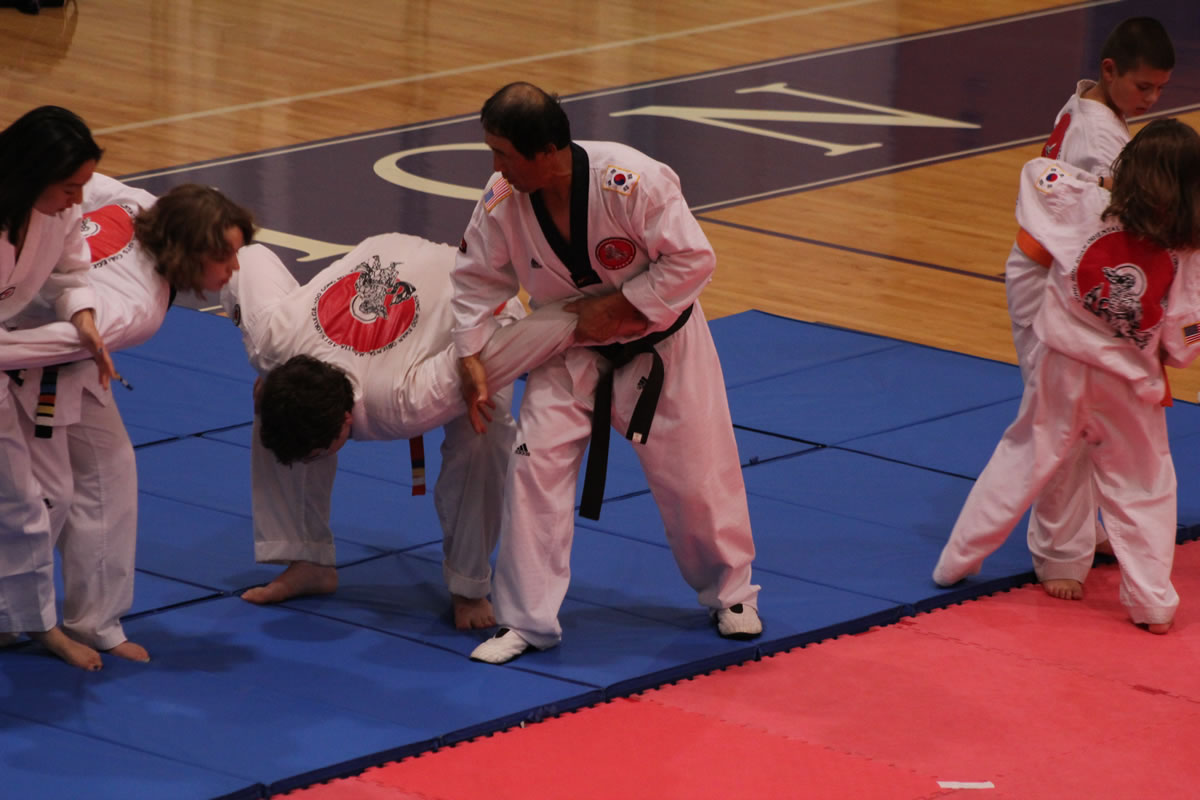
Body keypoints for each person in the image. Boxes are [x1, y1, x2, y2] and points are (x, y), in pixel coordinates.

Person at [136, 185, 578, 630]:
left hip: (464, 295)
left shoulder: (407, 400)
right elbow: (249, 258)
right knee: (278, 411)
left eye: (323, 450)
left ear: (347, 422)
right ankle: (307, 559)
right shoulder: (274, 342)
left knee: (481, 426)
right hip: (383, 261)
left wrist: (574, 318)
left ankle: (469, 583)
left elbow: (494, 349)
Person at [453, 82, 761, 665]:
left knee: (696, 479)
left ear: (547, 151)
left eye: (504, 154)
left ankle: (731, 593)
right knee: (535, 470)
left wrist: (622, 305)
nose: (496, 167)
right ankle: (527, 620)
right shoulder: (502, 198)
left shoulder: (632, 182)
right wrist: (470, 352)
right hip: (568, 348)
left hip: (661, 348)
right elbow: (475, 279)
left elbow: (694, 259)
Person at [934, 118, 1200, 635]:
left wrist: (1099, 184)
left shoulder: (1085, 204)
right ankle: (1152, 604)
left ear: (1129, 168)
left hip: (1062, 365)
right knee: (1143, 486)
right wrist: (1172, 352)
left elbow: (1037, 173)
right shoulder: (1187, 249)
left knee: (1022, 459)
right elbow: (1183, 335)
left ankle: (956, 561)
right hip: (1126, 381)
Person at [1008, 17, 1174, 602]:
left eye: (1160, 89)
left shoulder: (1090, 105)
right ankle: (1059, 552)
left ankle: (1084, 528)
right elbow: (1107, 228)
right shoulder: (1099, 140)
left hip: (1077, 277)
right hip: (1052, 281)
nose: (1151, 99)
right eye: (1143, 87)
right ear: (1110, 70)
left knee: (1091, 415)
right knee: (1065, 420)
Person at [0, 172, 167, 665]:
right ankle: (13, 615)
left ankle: (96, 622)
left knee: (109, 470)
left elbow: (83, 192)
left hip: (71, 352)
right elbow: (50, 342)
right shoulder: (136, 308)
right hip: (27, 353)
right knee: (41, 497)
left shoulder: (135, 202)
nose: (232, 271)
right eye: (224, 260)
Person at [0, 105, 116, 671]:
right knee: (22, 502)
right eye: (69, 186)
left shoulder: (58, 212)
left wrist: (83, 320)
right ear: (31, 173)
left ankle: (27, 619)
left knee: (39, 499)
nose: (78, 200)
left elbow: (70, 273)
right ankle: (32, 622)